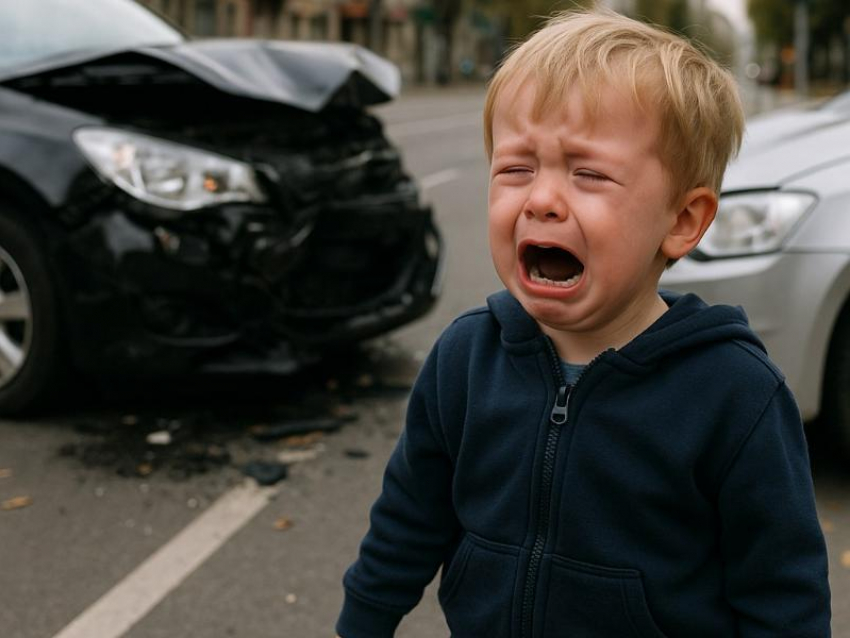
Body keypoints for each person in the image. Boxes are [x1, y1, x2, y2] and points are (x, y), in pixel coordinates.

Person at [336, 9, 831, 638]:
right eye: (516, 168)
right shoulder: (466, 358)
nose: (540, 198)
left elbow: (783, 598)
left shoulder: (735, 396)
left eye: (587, 173)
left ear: (682, 221)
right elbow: (406, 523)